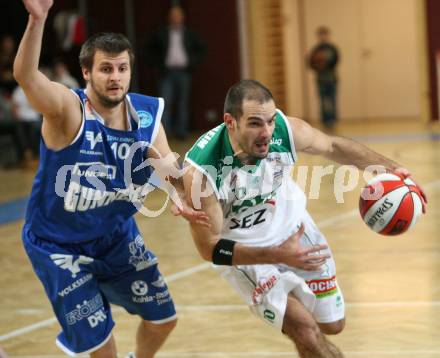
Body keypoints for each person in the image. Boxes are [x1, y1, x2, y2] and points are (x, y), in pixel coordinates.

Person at [14, 0, 207, 357]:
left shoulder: (147, 116)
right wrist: (37, 21)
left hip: (114, 236)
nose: (115, 77)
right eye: (105, 69)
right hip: (59, 244)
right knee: (103, 351)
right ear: (86, 73)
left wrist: (183, 194)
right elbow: (27, 78)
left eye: (122, 68)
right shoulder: (67, 111)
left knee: (164, 320)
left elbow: (170, 170)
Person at [182, 80, 427, 358]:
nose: (266, 133)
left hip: (295, 229)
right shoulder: (202, 174)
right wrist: (277, 255)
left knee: (332, 325)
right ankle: (294, 318)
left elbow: (333, 146)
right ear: (230, 122)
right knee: (305, 330)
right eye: (254, 123)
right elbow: (209, 248)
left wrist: (391, 169)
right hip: (245, 253)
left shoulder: (286, 131)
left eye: (270, 121)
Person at [146, 4, 206, 140]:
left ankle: (181, 133)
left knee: (182, 103)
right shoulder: (161, 33)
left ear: (183, 18)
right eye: (173, 16)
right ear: (169, 18)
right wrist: (157, 65)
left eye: (178, 16)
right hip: (166, 73)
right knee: (165, 103)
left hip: (184, 73)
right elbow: (149, 50)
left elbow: (202, 48)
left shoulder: (189, 33)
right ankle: (164, 134)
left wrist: (192, 63)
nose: (176, 18)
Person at [309, 26, 339, 129]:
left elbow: (336, 61)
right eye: (320, 35)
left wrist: (326, 63)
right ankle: (325, 121)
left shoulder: (332, 49)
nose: (323, 37)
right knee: (322, 101)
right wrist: (318, 65)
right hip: (321, 79)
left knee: (332, 100)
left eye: (324, 34)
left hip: (332, 79)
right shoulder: (315, 50)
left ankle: (333, 120)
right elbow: (310, 63)